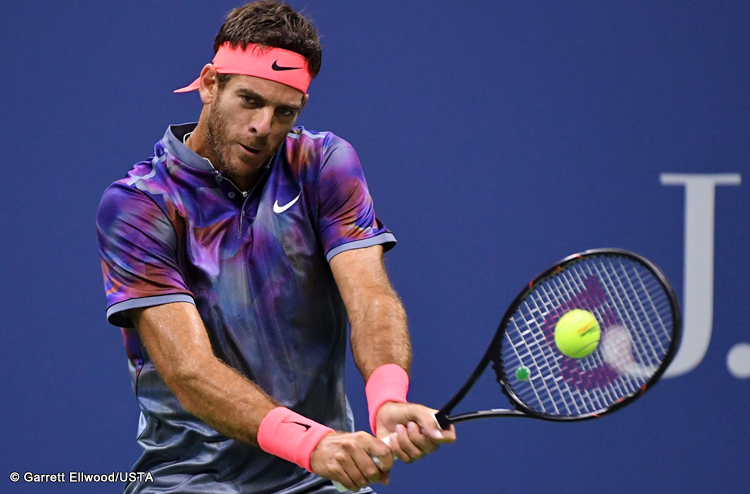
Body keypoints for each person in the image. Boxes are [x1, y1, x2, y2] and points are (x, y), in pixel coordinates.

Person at [96, 2, 455, 493]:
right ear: (209, 84)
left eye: (284, 111)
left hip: (318, 477)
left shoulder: (322, 163)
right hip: (191, 481)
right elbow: (188, 369)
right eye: (250, 100)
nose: (263, 126)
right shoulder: (140, 205)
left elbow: (370, 295)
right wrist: (310, 442)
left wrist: (388, 396)